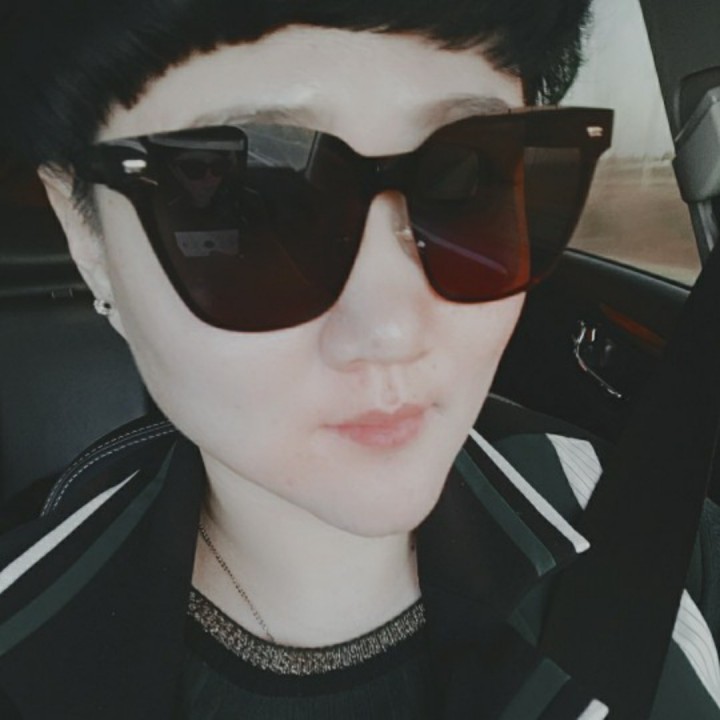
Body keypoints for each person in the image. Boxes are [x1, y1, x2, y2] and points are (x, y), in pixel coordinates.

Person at [0, 1, 718, 718]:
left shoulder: (662, 532)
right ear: (86, 236)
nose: (392, 329)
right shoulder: (24, 629)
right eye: (251, 207)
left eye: (469, 180)